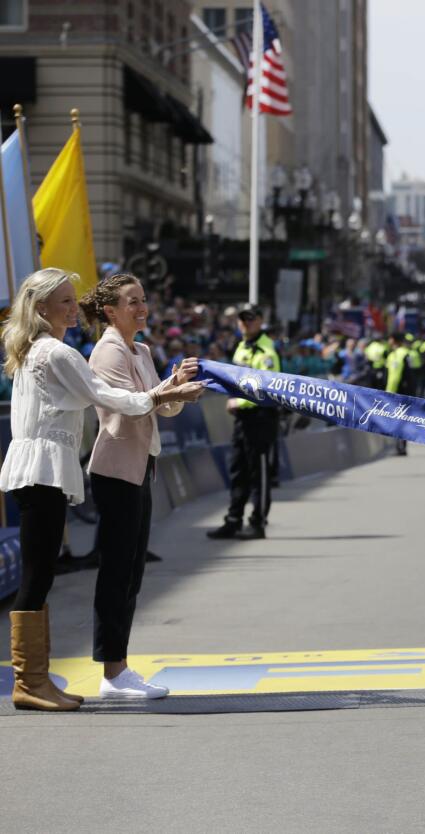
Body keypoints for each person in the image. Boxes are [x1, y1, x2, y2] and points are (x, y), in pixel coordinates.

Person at [0, 268, 204, 710]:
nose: (77, 309)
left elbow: (135, 400)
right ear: (40, 309)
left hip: (42, 467)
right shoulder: (56, 352)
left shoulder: (39, 350)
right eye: (66, 303)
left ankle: (35, 680)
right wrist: (170, 391)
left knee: (44, 573)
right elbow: (114, 398)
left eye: (75, 301)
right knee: (42, 575)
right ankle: (33, 682)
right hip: (47, 468)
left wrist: (167, 390)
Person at [80, 274, 199, 699]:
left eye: (144, 299)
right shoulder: (106, 352)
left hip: (140, 466)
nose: (142, 307)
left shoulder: (142, 349)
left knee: (131, 573)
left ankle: (120, 668)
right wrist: (173, 388)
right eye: (132, 301)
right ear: (110, 311)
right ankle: (113, 671)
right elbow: (132, 406)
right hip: (115, 470)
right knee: (116, 572)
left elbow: (160, 408)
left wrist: (176, 384)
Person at [207, 304, 280, 540]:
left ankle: (258, 522)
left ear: (260, 320)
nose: (245, 323)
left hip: (260, 418)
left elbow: (267, 390)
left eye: (250, 319)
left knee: (258, 472)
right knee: (237, 469)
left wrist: (240, 403)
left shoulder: (266, 353)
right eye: (242, 319)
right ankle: (234, 519)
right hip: (242, 420)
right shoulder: (241, 348)